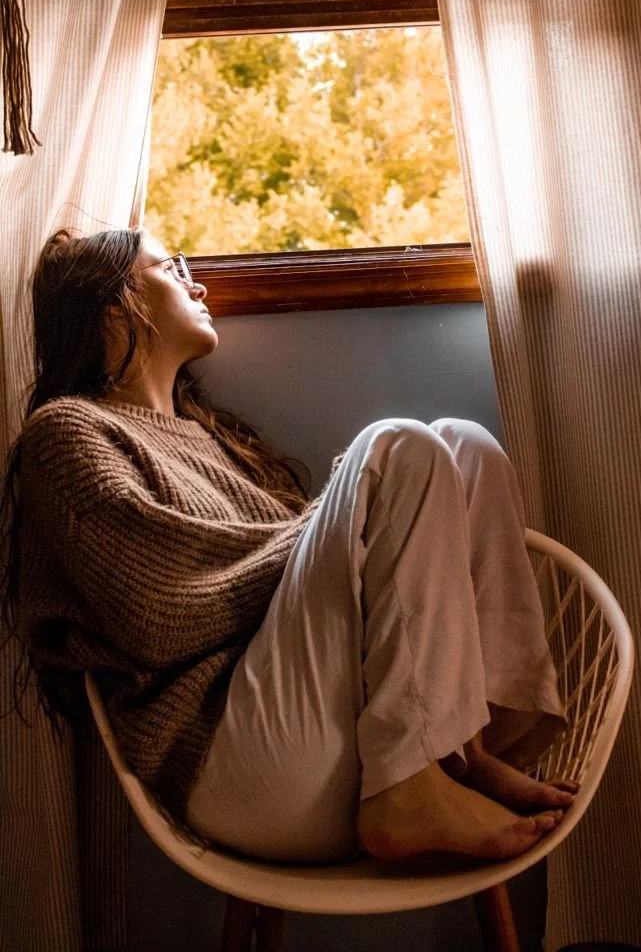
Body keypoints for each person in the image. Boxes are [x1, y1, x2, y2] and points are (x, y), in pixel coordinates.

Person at [1, 227, 577, 867]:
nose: (198, 282)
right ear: (115, 301)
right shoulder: (69, 432)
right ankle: (412, 791)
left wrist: (346, 522)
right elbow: (161, 615)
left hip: (350, 745)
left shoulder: (213, 438)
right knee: (398, 445)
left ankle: (465, 750)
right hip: (242, 763)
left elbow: (304, 586)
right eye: (173, 266)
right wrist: (342, 516)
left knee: (463, 442)